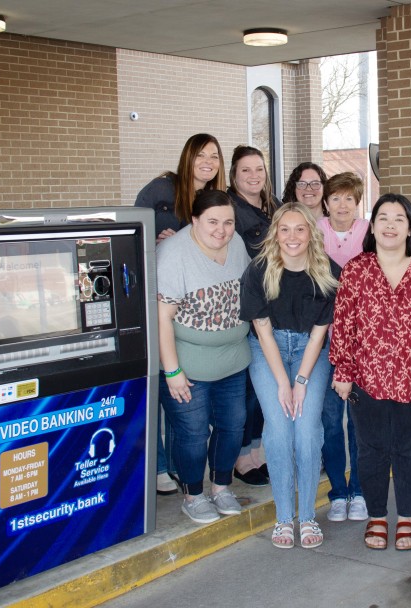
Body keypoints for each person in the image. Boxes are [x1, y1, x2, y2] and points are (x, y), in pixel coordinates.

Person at [330, 193, 411, 551]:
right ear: (372, 225)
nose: (391, 225)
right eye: (383, 217)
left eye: (399, 218)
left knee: (409, 450)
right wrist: (343, 371)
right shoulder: (356, 269)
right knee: (372, 450)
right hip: (367, 378)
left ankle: (406, 518)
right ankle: (377, 516)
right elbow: (344, 324)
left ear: (410, 226)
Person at [241, 203, 340, 549]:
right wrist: (283, 382)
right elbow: (262, 330)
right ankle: (285, 517)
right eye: (285, 229)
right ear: (275, 234)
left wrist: (300, 381)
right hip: (267, 350)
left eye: (300, 229)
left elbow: (319, 333)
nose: (292, 236)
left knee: (308, 429)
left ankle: (308, 515)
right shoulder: (258, 271)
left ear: (312, 233)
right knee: (280, 428)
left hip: (311, 351)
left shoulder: (328, 272)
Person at [135, 133, 227, 495]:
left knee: (182, 392)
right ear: (187, 157)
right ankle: (157, 465)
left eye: (215, 156)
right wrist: (154, 240)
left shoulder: (211, 200)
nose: (208, 162)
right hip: (160, 298)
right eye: (201, 155)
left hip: (195, 308)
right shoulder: (161, 189)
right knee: (162, 382)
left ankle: (175, 465)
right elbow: (134, 230)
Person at [156, 189, 250, 524]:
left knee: (232, 426)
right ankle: (193, 494)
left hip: (234, 361)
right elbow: (162, 316)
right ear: (194, 220)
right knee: (194, 433)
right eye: (212, 221)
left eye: (228, 222)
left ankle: (221, 486)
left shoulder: (236, 243)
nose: (221, 230)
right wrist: (172, 371)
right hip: (188, 365)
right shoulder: (173, 253)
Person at [227, 145, 283, 487]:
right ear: (234, 175)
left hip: (276, 303)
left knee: (267, 383)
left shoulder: (273, 205)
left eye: (259, 169)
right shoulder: (230, 208)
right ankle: (241, 456)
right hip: (248, 306)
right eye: (246, 170)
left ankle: (258, 449)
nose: (253, 176)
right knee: (249, 387)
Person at [316, 172, 370, 522]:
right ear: (326, 202)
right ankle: (338, 491)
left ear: (357, 202)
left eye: (349, 198)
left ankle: (361, 490)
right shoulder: (313, 230)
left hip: (362, 343)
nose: (342, 205)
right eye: (335, 198)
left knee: (360, 423)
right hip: (322, 342)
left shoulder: (370, 232)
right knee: (331, 421)